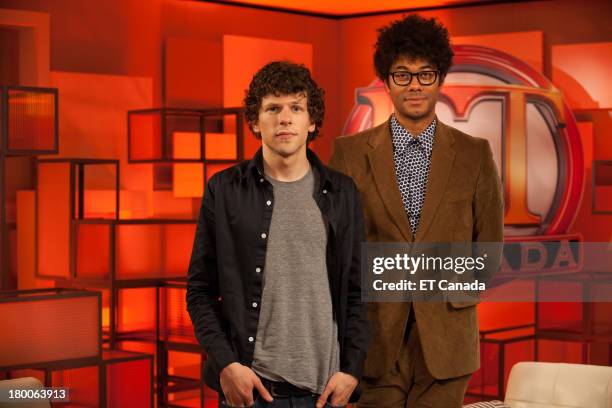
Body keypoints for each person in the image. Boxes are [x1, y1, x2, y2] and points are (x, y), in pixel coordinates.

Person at [329, 15, 504, 408]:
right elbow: (333, 248)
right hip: (372, 342)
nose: (414, 85)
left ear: (440, 78)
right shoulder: (349, 153)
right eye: (402, 74)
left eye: (425, 74)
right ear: (386, 80)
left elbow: (489, 249)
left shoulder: (475, 154)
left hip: (447, 341)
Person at [187, 61, 370, 408]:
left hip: (324, 393)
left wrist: (352, 371)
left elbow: (358, 291)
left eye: (296, 108)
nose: (285, 118)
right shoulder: (224, 190)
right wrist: (227, 365)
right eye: (273, 108)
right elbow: (199, 292)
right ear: (255, 122)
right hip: (251, 390)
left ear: (311, 121)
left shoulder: (344, 193)